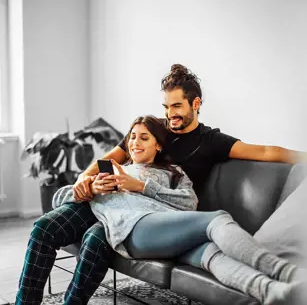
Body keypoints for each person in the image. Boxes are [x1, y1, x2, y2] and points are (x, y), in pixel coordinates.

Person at [31, 115, 305, 305]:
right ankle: (288, 273)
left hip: (170, 229)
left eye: (144, 138)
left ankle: (273, 292)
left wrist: (140, 185)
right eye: (132, 138)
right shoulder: (114, 174)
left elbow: (189, 203)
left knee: (212, 254)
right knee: (218, 219)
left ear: (158, 145)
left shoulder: (174, 173)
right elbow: (63, 199)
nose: (135, 143)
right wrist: (88, 187)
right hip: (136, 228)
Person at [73, 64, 307, 203]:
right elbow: (111, 158)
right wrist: (84, 178)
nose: (169, 114)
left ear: (195, 104)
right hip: (129, 202)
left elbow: (266, 151)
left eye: (176, 107)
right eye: (166, 107)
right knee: (63, 214)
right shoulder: (152, 131)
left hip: (169, 208)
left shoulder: (211, 140)